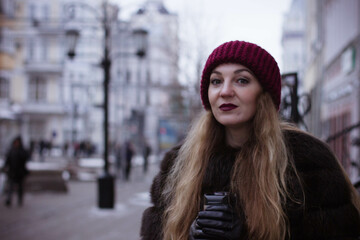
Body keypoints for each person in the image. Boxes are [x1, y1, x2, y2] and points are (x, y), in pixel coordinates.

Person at [140, 40, 360, 240]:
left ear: (264, 94)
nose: (225, 91)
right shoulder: (180, 163)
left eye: (242, 80)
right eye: (216, 81)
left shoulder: (306, 162)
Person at [3, 136, 30, 207]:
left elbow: (26, 158)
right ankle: (9, 199)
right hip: (12, 172)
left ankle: (20, 200)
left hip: (20, 172)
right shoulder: (12, 150)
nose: (16, 144)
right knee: (10, 186)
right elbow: (8, 159)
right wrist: (5, 166)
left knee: (20, 187)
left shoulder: (22, 150)